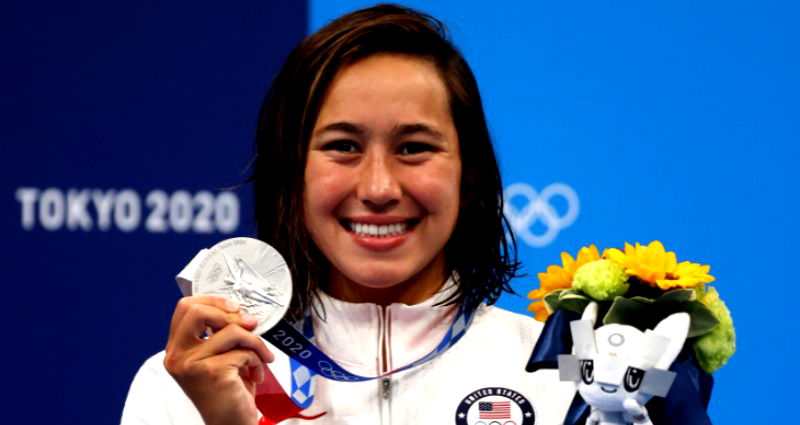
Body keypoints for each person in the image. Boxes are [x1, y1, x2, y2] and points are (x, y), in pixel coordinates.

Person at [121, 4, 576, 424]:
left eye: (413, 148)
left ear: (469, 174)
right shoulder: (184, 387)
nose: (379, 188)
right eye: (343, 146)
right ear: (292, 171)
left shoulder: (566, 379)